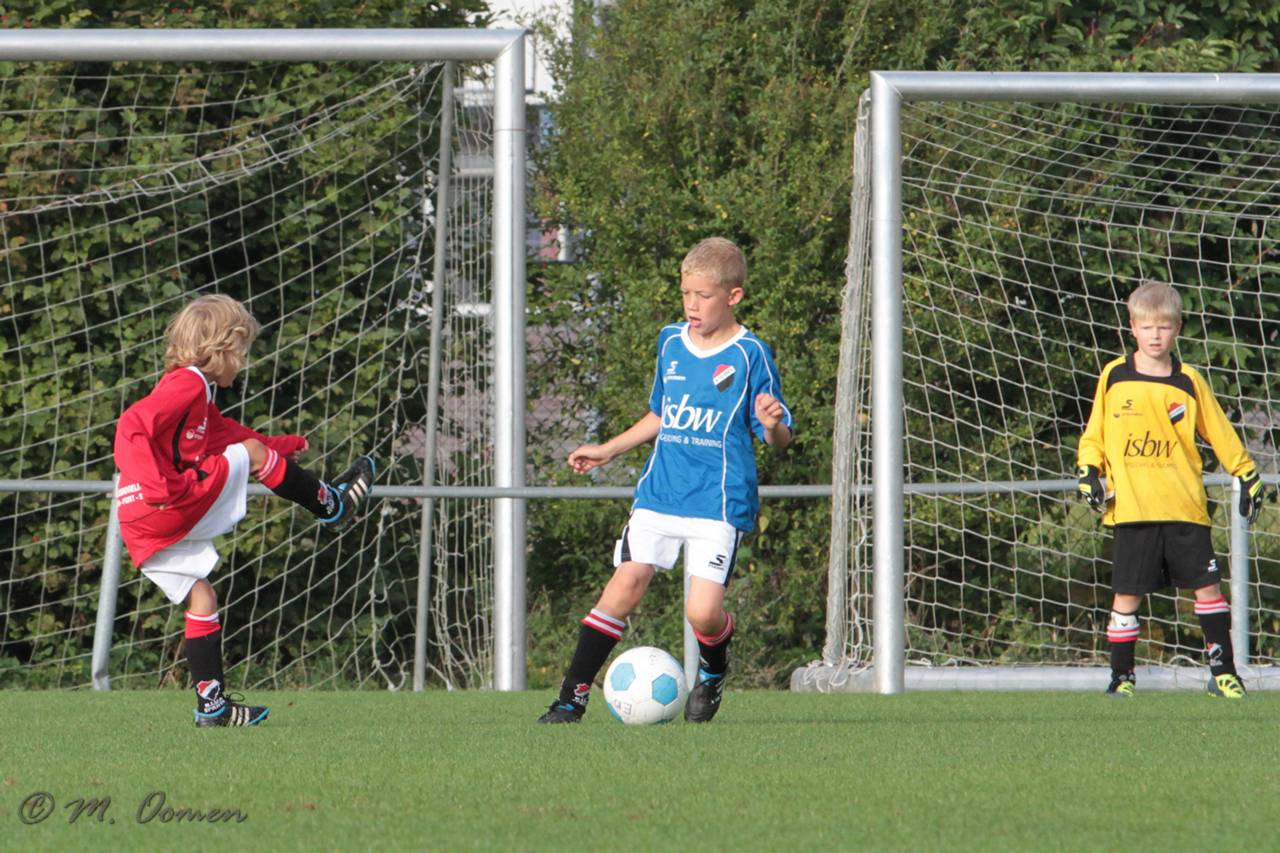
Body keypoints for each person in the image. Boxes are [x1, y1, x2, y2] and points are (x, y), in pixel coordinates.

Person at [538, 237, 793, 724]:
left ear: (733, 296)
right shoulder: (671, 342)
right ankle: (570, 699)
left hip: (717, 501)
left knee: (703, 614)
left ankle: (712, 671)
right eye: (685, 294)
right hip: (661, 492)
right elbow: (661, 413)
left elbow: (778, 439)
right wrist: (608, 449)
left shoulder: (751, 354)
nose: (692, 305)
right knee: (624, 585)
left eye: (703, 296)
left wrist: (772, 423)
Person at [113, 294, 376, 726]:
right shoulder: (188, 383)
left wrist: (279, 447)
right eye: (240, 351)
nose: (242, 362)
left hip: (138, 520)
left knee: (202, 595)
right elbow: (131, 425)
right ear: (218, 349)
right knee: (251, 455)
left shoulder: (195, 396)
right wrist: (158, 484)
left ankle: (212, 708)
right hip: (162, 501)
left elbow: (228, 435)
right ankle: (332, 504)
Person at [1076, 280, 1264, 699]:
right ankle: (1122, 678)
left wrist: (1246, 472)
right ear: (1132, 328)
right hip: (1132, 510)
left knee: (1208, 590)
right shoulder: (1114, 376)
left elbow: (1219, 431)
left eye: (1163, 327)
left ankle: (1224, 675)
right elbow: (1094, 435)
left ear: (1177, 328)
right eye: (1147, 327)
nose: (1155, 336)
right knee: (1126, 595)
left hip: (1184, 508)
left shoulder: (1189, 381)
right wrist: (1088, 469)